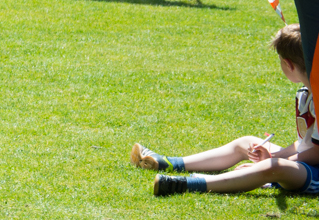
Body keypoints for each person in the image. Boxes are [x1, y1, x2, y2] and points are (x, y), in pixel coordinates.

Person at [133, 27, 319, 196]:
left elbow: (316, 154)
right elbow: (304, 143)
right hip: (305, 162)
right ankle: (167, 162)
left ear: (288, 64)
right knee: (246, 143)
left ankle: (189, 184)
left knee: (274, 167)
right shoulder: (305, 93)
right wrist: (275, 155)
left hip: (314, 171)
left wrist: (272, 160)